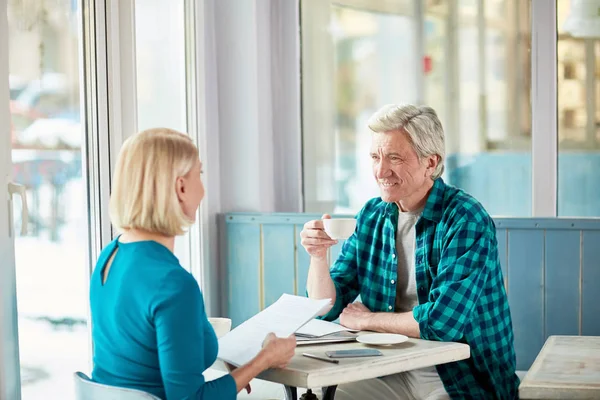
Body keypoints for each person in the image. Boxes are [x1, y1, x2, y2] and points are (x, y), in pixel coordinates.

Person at [301, 104, 519, 399]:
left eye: (394, 158)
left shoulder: (465, 218)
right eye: (376, 157)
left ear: (431, 163)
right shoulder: (372, 215)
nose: (381, 171)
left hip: (456, 376)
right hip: (385, 369)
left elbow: (442, 323)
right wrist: (318, 256)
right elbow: (326, 307)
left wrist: (367, 320)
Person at [89, 128, 296, 399]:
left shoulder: (109, 257)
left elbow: (145, 342)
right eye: (199, 174)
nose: (203, 188)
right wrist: (264, 360)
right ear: (181, 187)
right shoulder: (173, 284)